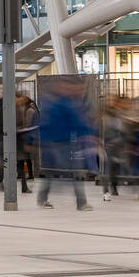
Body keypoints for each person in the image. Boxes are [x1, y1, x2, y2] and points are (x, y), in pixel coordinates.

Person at [37, 78, 92, 211]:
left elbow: (77, 123)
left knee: (54, 172)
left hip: (63, 143)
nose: (77, 91)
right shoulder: (58, 104)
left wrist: (87, 134)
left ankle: (44, 198)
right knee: (71, 171)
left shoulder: (69, 103)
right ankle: (80, 202)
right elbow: (76, 123)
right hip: (56, 144)